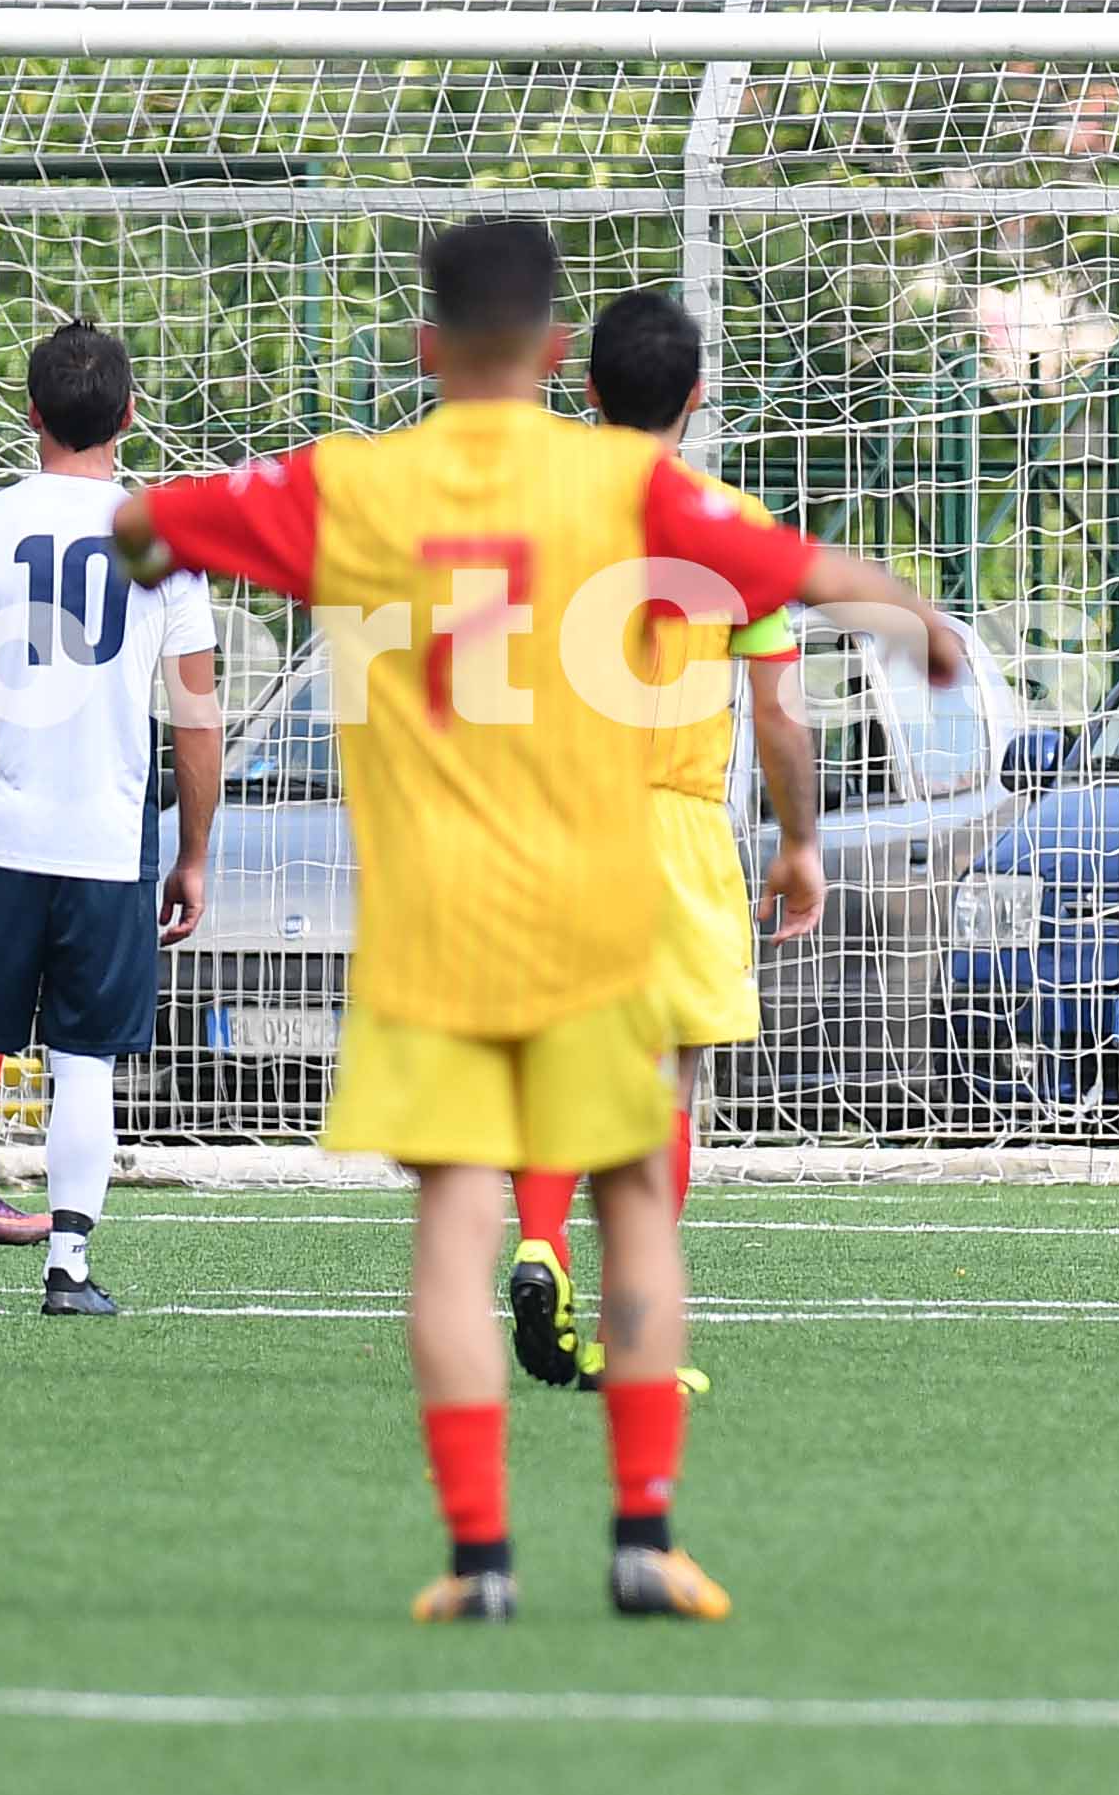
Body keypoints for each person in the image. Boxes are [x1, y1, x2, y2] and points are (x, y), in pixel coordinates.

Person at [109, 218, 955, 1625]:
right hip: (605, 905)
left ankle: (480, 1560)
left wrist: (145, 537)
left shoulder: (357, 485)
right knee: (638, 1208)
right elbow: (802, 570)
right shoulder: (627, 486)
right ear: (555, 352)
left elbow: (156, 518)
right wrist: (911, 615)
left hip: (434, 923)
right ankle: (641, 1535)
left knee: (454, 1218)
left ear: (428, 348)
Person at [0, 321, 221, 1317]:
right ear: (129, 415)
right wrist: (193, 853)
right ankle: (67, 1267)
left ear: (31, 417)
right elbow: (196, 717)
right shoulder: (166, 540)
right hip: (108, 837)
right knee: (84, 1058)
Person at [502, 286, 814, 1391]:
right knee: (665, 1084)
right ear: (696, 395)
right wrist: (800, 844)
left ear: (585, 393)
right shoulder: (740, 532)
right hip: (677, 826)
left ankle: (539, 1239)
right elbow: (779, 711)